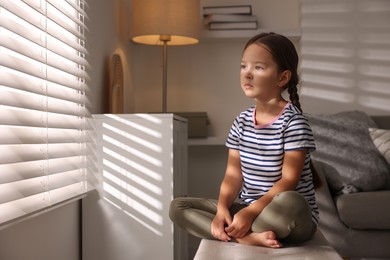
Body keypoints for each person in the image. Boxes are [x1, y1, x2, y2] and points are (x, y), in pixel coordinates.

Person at [169, 32, 319, 248]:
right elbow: (232, 175)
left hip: (287, 216)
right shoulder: (241, 122)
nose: (247, 74)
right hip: (249, 211)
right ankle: (247, 237)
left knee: (291, 201)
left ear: (282, 78)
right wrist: (222, 209)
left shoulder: (294, 122)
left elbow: (289, 181)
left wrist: (251, 212)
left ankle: (241, 231)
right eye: (243, 66)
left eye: (258, 67)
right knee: (178, 207)